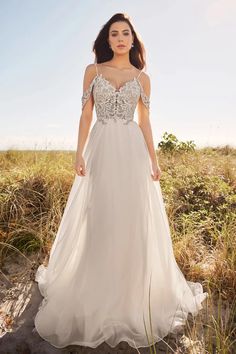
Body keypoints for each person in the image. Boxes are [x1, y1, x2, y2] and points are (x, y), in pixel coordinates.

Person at [34, 12, 208, 350]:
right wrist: (78, 153)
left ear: (133, 38)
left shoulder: (143, 78)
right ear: (106, 39)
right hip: (101, 148)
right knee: (99, 216)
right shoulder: (93, 71)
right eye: (113, 33)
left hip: (132, 153)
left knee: (131, 220)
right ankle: (97, 290)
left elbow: (145, 123)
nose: (119, 38)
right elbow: (86, 114)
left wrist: (154, 162)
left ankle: (130, 294)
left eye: (125, 33)